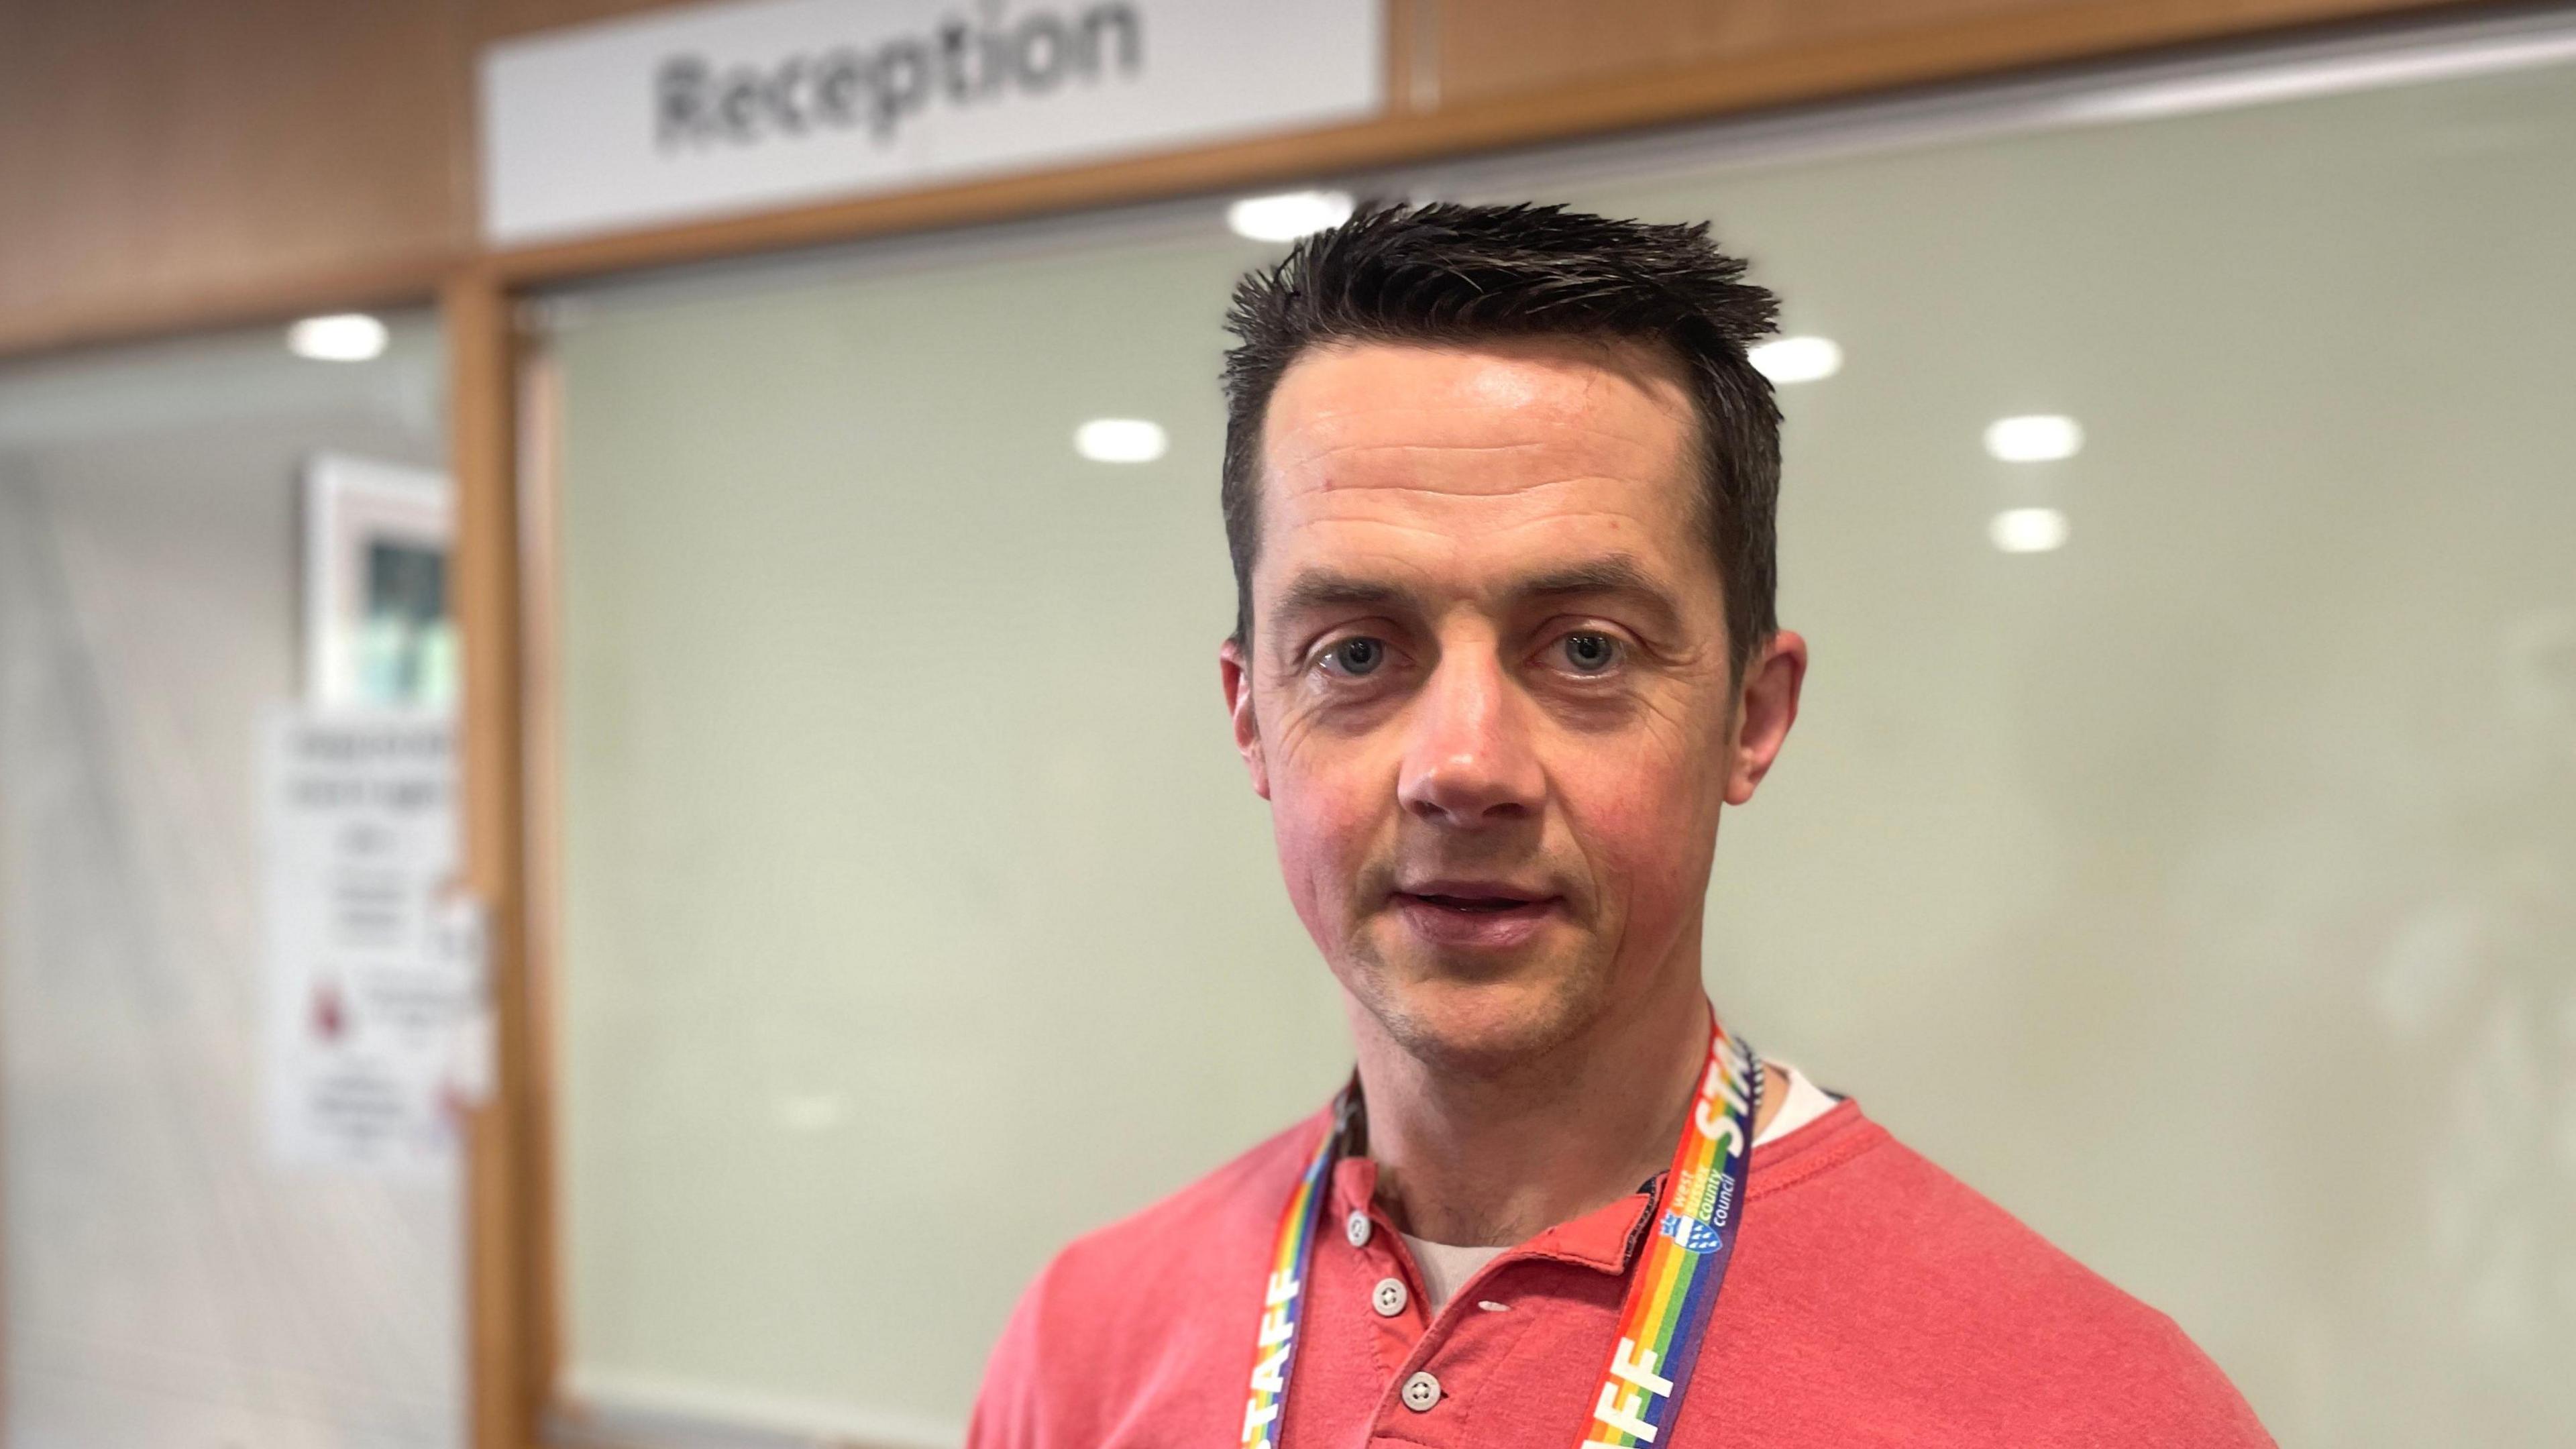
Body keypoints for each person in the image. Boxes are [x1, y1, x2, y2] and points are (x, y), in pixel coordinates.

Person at [969, 202, 2271, 1447]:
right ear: (1253, 717)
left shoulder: (2089, 1416)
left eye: (1586, 647)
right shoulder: (1084, 1346)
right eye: (1359, 652)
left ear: (1752, 718)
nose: (1465, 767)